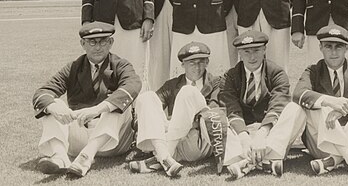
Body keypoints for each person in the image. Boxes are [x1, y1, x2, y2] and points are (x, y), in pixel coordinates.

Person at [32, 22, 141, 177]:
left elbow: (133, 85)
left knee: (118, 105)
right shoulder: (73, 67)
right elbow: (42, 92)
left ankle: (86, 157)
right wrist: (53, 107)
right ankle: (60, 157)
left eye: (103, 41)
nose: (98, 47)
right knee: (52, 104)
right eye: (92, 42)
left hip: (112, 141)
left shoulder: (120, 65)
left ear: (111, 43)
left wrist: (97, 109)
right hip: (80, 134)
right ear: (83, 44)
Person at [285, 25, 348, 179]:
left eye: (339, 47)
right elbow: (299, 94)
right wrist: (331, 101)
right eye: (328, 46)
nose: (333, 52)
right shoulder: (313, 70)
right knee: (319, 105)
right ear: (320, 47)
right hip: (322, 144)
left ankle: (335, 160)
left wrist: (344, 107)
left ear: (346, 48)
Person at [129, 41, 223, 177]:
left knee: (187, 92)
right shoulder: (172, 84)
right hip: (175, 142)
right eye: (191, 63)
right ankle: (166, 158)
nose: (197, 67)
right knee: (147, 97)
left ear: (207, 62)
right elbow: (152, 110)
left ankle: (160, 157)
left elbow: (214, 113)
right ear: (182, 65)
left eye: (201, 62)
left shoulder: (216, 82)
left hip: (196, 141)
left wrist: (179, 123)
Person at [219, 31, 291, 179]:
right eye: (246, 51)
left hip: (268, 132)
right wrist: (244, 137)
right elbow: (231, 108)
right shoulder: (230, 76)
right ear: (239, 53)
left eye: (257, 50)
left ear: (264, 50)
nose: (252, 57)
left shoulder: (277, 73)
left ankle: (246, 163)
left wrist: (262, 134)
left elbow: (278, 104)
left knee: (294, 110)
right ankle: (266, 162)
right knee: (216, 116)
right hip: (242, 132)